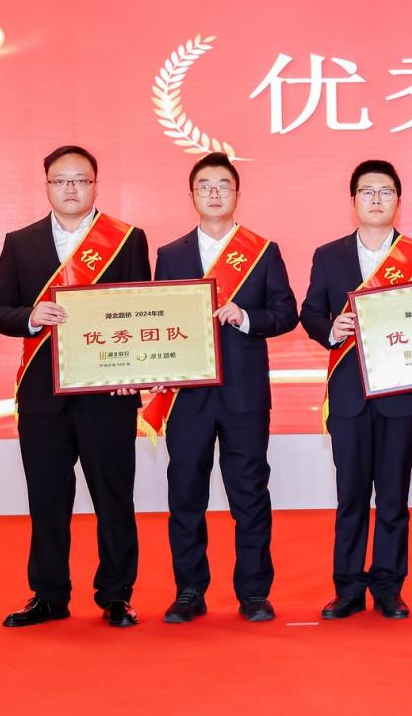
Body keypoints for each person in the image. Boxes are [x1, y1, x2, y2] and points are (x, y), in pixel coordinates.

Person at [0, 145, 150, 628]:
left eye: (81, 179)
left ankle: (116, 595)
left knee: (113, 499)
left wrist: (133, 375)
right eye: (61, 180)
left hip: (108, 394)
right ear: (47, 186)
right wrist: (31, 316)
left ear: (96, 185)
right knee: (47, 500)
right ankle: (49, 596)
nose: (71, 188)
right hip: (43, 398)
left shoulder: (126, 240)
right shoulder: (21, 242)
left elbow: (141, 309)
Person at [147, 152, 298, 623]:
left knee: (249, 494)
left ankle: (253, 592)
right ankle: (189, 590)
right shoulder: (170, 255)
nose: (214, 193)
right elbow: (157, 318)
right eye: (205, 186)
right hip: (187, 395)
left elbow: (286, 313)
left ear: (237, 194)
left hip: (244, 396)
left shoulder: (263, 251)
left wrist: (246, 317)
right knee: (185, 494)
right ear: (192, 194)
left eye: (223, 186)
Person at [299, 160, 412, 620]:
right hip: (349, 396)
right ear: (353, 200)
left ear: (398, 200)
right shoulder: (329, 255)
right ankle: (347, 589)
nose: (376, 200)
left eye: (385, 192)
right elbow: (309, 312)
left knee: (394, 498)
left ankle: (388, 588)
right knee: (352, 498)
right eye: (367, 192)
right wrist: (331, 329)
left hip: (402, 397)